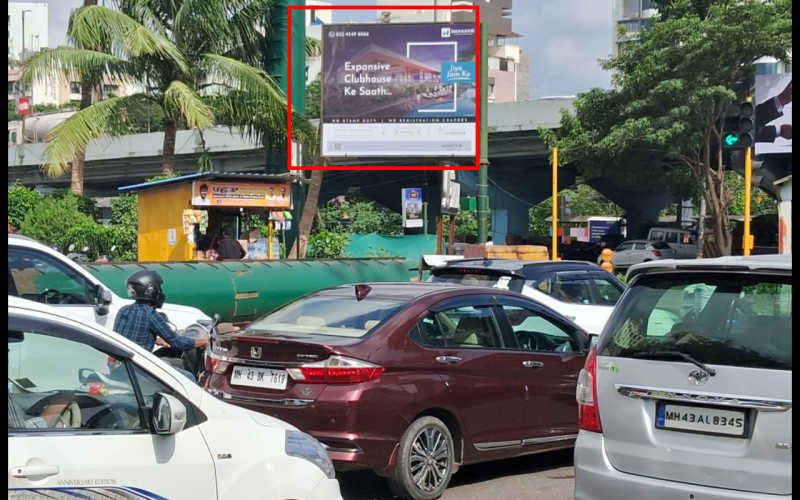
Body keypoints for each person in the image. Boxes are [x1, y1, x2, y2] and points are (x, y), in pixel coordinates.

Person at [112, 270, 207, 382]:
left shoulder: (123, 310)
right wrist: (204, 341)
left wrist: (155, 339)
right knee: (188, 377)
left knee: (165, 363)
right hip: (138, 369)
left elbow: (129, 335)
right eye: (159, 288)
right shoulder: (151, 315)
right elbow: (178, 342)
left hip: (119, 366)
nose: (160, 291)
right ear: (151, 290)